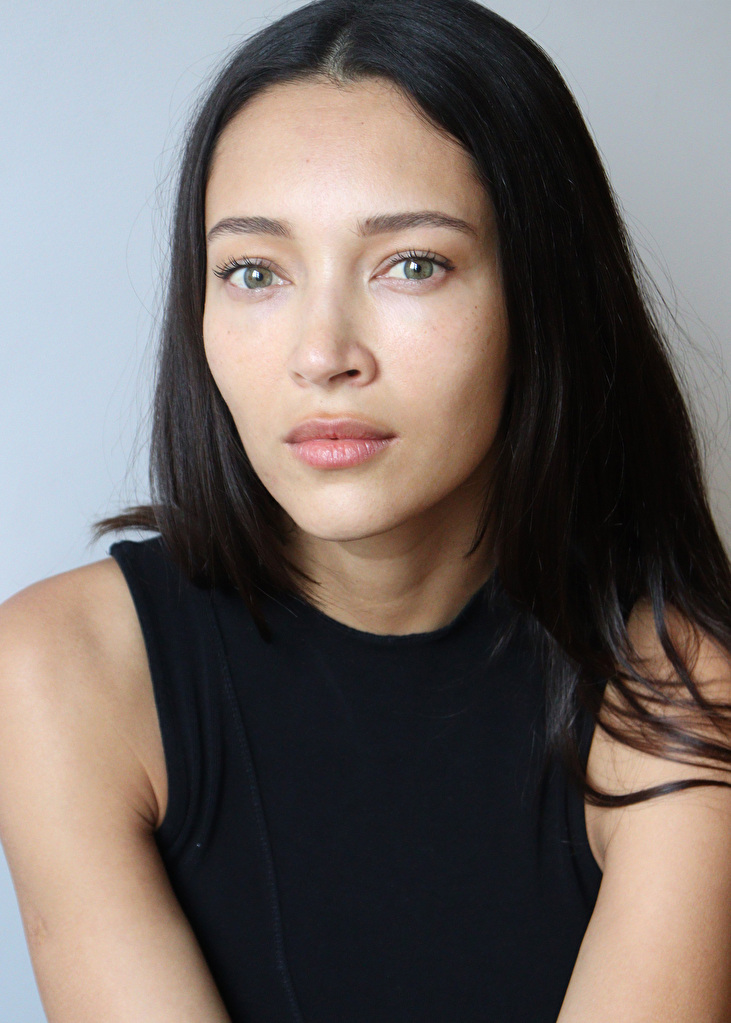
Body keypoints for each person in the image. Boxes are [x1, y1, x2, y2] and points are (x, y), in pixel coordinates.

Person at [1, 0, 731, 1019]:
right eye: (254, 272)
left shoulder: (680, 700)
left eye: (412, 264)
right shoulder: (60, 667)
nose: (321, 354)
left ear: (541, 296)